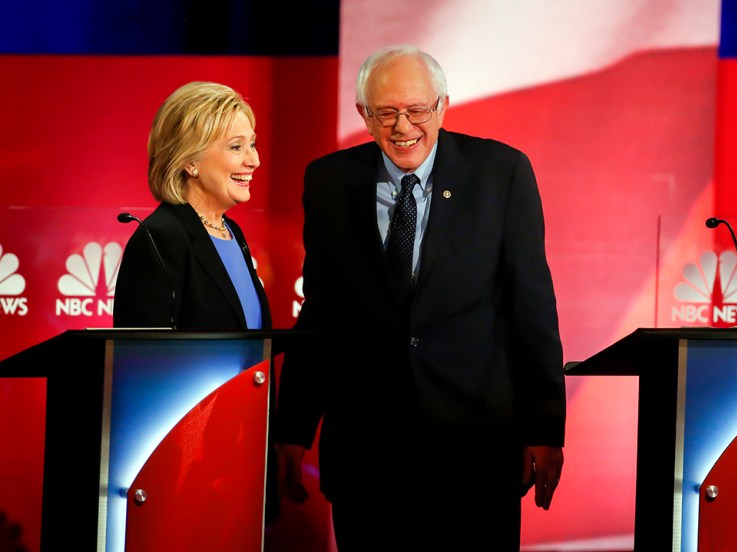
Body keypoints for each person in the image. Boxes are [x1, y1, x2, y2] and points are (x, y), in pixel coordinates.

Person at [274, 45, 566, 551]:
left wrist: (545, 427)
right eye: (386, 112)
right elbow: (320, 314)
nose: (402, 126)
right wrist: (294, 426)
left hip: (475, 451)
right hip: (368, 453)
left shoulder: (501, 173)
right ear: (364, 115)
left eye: (416, 111)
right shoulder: (329, 182)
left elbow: (532, 308)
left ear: (443, 106)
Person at [112, 81, 278, 522]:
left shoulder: (231, 233)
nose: (254, 160)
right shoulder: (161, 237)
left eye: (253, 145)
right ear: (189, 159)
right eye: (236, 146)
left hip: (240, 452)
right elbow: (143, 371)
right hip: (187, 466)